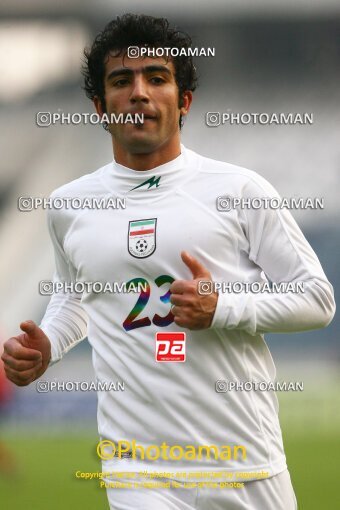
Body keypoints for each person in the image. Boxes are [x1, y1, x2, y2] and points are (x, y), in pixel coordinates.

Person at [1, 13, 335, 510]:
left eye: (156, 78)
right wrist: (47, 342)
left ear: (183, 103)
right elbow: (76, 299)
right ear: (99, 106)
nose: (139, 92)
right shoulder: (70, 205)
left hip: (245, 463)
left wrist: (222, 307)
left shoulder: (239, 191)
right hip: (138, 470)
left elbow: (317, 298)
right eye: (121, 80)